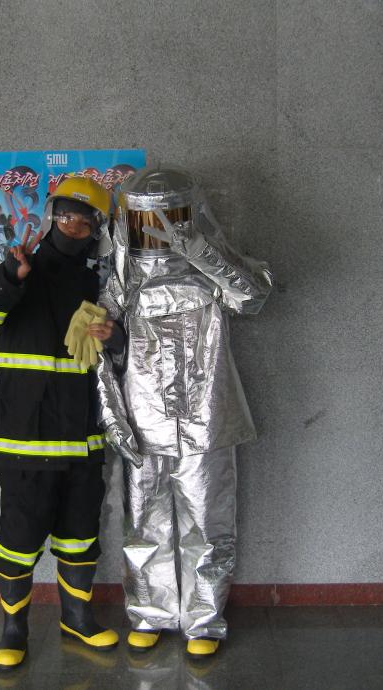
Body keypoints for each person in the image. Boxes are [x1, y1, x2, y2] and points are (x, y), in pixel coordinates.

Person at [95, 164, 273, 658]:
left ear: (189, 215)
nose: (156, 231)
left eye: (168, 218)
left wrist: (198, 248)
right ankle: (149, 613)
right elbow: (99, 354)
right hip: (144, 421)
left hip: (208, 421)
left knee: (208, 525)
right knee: (144, 524)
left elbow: (254, 296)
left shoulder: (214, 271)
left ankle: (204, 620)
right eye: (147, 220)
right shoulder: (122, 280)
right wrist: (113, 416)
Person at [0, 176, 119, 671]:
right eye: (66, 217)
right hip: (25, 441)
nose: (73, 227)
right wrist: (8, 277)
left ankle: (77, 619)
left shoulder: (102, 281)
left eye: (84, 222)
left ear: (97, 229)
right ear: (51, 217)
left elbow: (133, 351)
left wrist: (116, 336)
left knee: (80, 535)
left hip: (83, 440)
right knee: (19, 538)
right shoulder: (19, 268)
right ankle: (13, 627)